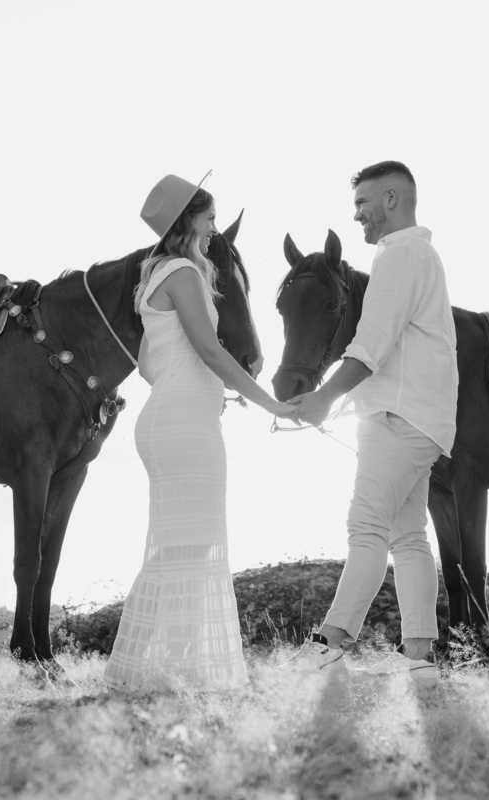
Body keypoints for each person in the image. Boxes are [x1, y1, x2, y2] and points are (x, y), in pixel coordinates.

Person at [104, 172, 297, 692]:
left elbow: (149, 365)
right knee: (192, 548)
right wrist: (269, 402)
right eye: (210, 218)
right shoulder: (186, 273)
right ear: (188, 220)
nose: (215, 227)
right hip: (186, 423)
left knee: (175, 548)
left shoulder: (153, 276)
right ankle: (179, 671)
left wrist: (201, 386)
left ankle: (139, 669)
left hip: (164, 418)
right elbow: (211, 351)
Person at [289, 161, 458, 684]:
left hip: (398, 419)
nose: (357, 215)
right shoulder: (419, 254)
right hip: (421, 421)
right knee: (408, 539)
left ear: (391, 199)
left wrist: (323, 397)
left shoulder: (401, 254)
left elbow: (372, 345)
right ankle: (420, 659)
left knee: (366, 528)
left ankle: (329, 644)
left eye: (363, 203)